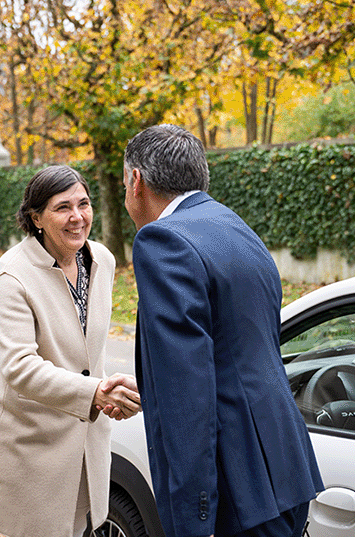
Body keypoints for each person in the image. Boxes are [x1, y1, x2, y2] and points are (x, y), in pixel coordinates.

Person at [123, 124, 323, 537]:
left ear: (137, 181)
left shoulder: (162, 241)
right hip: (286, 471)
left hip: (236, 492)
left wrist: (194, 520)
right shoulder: (234, 226)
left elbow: (185, 396)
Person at [0, 165, 141, 537]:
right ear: (36, 218)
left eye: (83, 204)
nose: (77, 217)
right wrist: (95, 392)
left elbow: (83, 352)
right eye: (62, 207)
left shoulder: (102, 260)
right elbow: (18, 367)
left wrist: (107, 392)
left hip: (86, 443)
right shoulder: (13, 275)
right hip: (31, 448)